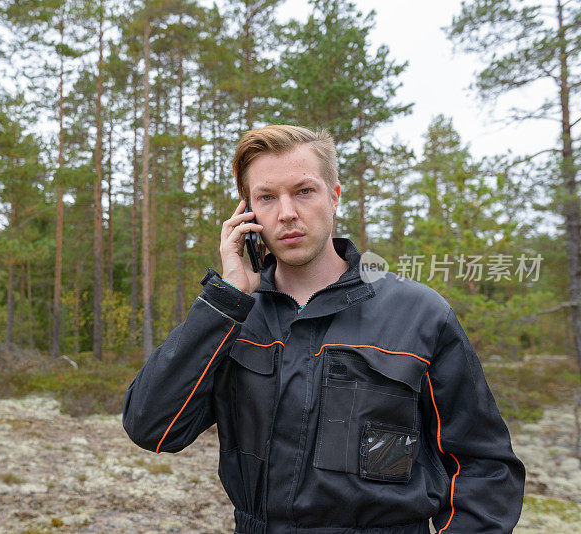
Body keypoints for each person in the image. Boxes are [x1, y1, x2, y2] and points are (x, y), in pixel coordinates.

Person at [123, 125, 525, 533]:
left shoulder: (419, 314)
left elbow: (484, 469)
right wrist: (225, 300)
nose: (287, 213)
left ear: (334, 197)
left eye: (304, 191)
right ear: (247, 214)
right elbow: (151, 427)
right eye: (267, 197)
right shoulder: (234, 317)